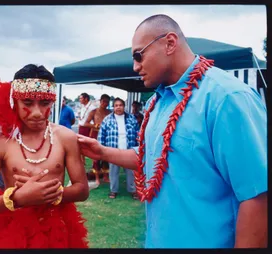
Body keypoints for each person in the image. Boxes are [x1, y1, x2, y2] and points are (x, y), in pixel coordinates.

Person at [77, 14, 267, 248]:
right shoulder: (156, 103)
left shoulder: (228, 98)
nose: (135, 66)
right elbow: (152, 158)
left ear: (169, 43)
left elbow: (257, 196)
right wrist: (101, 151)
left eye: (138, 55)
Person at [0, 64, 89, 249]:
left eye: (44, 103)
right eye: (27, 103)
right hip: (12, 231)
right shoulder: (0, 142)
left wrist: (52, 195)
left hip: (58, 229)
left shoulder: (65, 137)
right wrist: (18, 198)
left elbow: (82, 190)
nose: (36, 113)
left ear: (53, 102)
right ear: (14, 102)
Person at [98, 98, 139, 200]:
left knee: (131, 172)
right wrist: (100, 150)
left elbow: (139, 134)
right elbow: (101, 136)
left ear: (124, 106)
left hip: (129, 150)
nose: (118, 107)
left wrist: (139, 149)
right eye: (116, 105)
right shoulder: (107, 119)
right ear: (113, 107)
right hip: (113, 151)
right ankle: (113, 191)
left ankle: (133, 190)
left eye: (120, 105)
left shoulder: (132, 118)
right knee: (113, 172)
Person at [83, 94, 111, 185]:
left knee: (106, 155)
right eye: (103, 101)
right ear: (100, 101)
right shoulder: (94, 111)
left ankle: (106, 176)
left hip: (106, 135)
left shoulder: (109, 112)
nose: (105, 103)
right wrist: (96, 125)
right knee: (95, 157)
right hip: (95, 134)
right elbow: (85, 123)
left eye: (107, 102)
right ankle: (97, 178)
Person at [78, 92, 96, 164]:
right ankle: (83, 161)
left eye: (81, 98)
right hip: (82, 127)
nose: (80, 100)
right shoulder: (82, 107)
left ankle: (94, 162)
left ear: (86, 99)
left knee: (90, 145)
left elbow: (94, 120)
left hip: (88, 128)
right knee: (81, 144)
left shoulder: (92, 108)